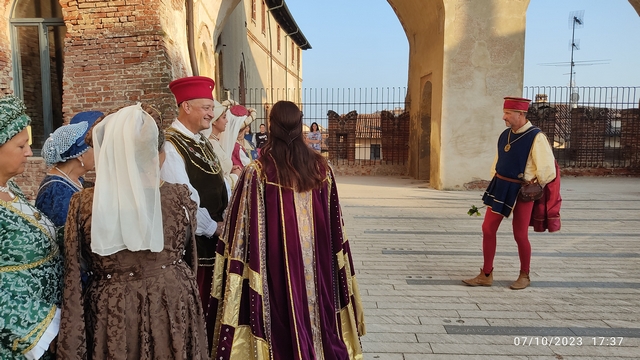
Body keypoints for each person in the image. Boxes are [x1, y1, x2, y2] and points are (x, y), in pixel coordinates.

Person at [208, 101, 366, 359]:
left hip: (278, 265)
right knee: (316, 313)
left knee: (282, 312)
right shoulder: (321, 169)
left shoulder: (257, 173)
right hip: (318, 263)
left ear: (272, 128)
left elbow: (241, 231)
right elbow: (334, 223)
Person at [56, 103, 208, 359]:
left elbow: (73, 272)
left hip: (113, 307)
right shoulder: (178, 197)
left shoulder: (83, 204)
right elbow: (188, 251)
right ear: (157, 153)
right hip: (169, 299)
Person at [463, 97, 556, 290]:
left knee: (520, 234)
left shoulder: (536, 137)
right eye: (504, 112)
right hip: (501, 186)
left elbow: (547, 170)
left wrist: (532, 184)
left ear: (521, 114)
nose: (503, 116)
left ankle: (524, 275)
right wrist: (495, 179)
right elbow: (498, 161)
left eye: (508, 113)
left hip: (522, 191)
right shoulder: (505, 135)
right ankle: (486, 274)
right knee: (488, 228)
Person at [161, 75, 228, 345]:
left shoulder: (201, 142)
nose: (211, 114)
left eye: (212, 109)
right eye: (206, 108)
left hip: (217, 239)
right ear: (186, 106)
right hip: (198, 246)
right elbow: (183, 199)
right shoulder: (171, 145)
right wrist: (213, 227)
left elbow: (220, 183)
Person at [0, 95, 63, 359]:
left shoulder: (10, 188)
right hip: (23, 338)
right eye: (21, 145)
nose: (29, 152)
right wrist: (44, 328)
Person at [35, 111, 103, 228]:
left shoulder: (75, 180)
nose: (100, 152)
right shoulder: (57, 191)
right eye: (95, 147)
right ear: (80, 155)